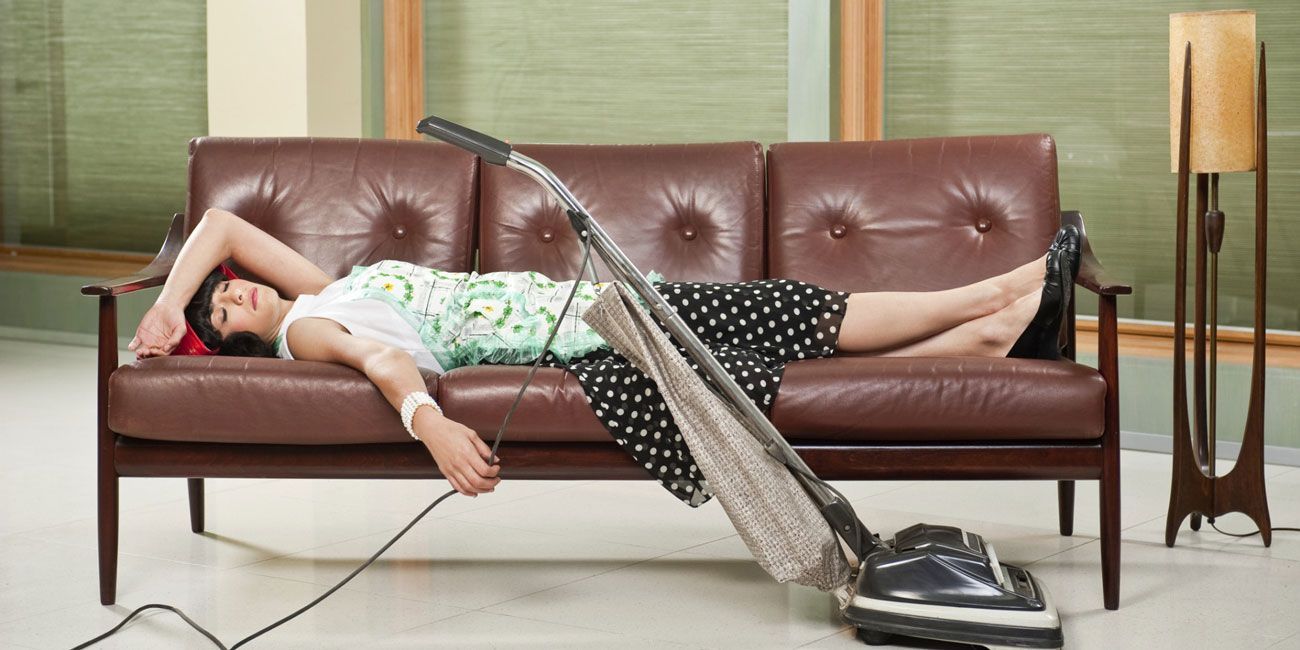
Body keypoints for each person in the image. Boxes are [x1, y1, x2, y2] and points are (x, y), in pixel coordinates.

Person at [129, 208, 1081, 504]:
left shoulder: (321, 284)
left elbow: (217, 224)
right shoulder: (310, 331)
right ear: (251, 340)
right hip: (597, 327)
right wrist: (430, 427)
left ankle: (986, 324)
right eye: (225, 307)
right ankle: (994, 299)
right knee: (792, 313)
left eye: (230, 283)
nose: (232, 288)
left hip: (597, 300)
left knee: (787, 319)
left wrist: (171, 309)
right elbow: (383, 366)